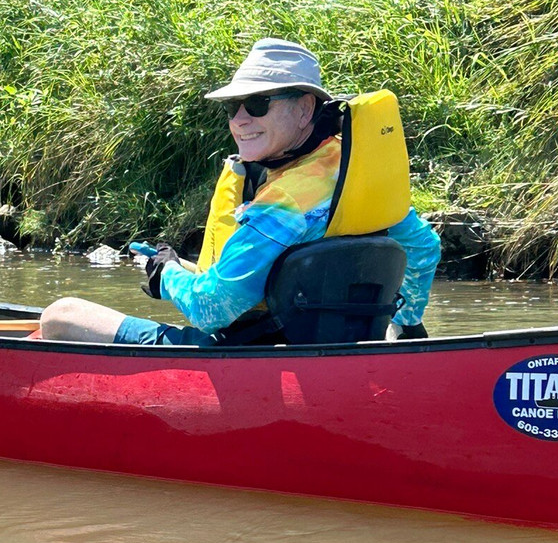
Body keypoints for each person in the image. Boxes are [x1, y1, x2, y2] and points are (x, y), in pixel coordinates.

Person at [40, 38, 441, 345]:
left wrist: (167, 276)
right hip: (322, 346)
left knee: (60, 315)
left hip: (244, 353)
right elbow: (424, 247)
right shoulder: (352, 172)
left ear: (304, 109)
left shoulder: (282, 204)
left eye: (257, 103)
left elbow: (210, 309)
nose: (241, 120)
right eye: (233, 108)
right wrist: (403, 329)